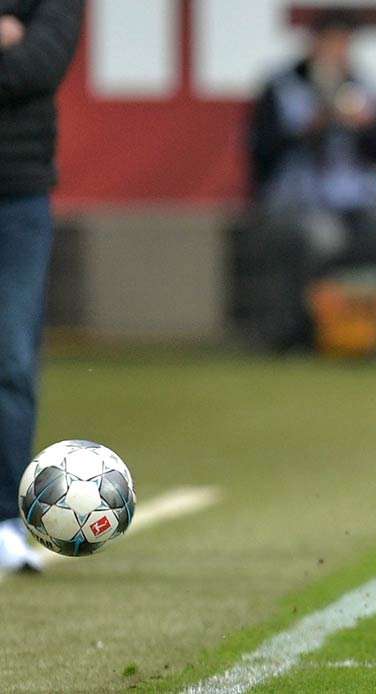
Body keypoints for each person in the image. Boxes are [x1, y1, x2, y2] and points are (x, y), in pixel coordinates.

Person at [242, 10, 376, 351]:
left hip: (357, 206)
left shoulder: (363, 87)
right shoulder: (283, 87)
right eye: (331, 43)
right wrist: (312, 128)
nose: (339, 51)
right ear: (314, 45)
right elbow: (261, 155)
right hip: (297, 205)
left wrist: (367, 128)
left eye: (345, 44)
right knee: (323, 238)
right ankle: (303, 333)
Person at [0, 0, 84, 574]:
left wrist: (21, 48)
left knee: (10, 358)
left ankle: (6, 519)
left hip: (18, 195)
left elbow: (39, 66)